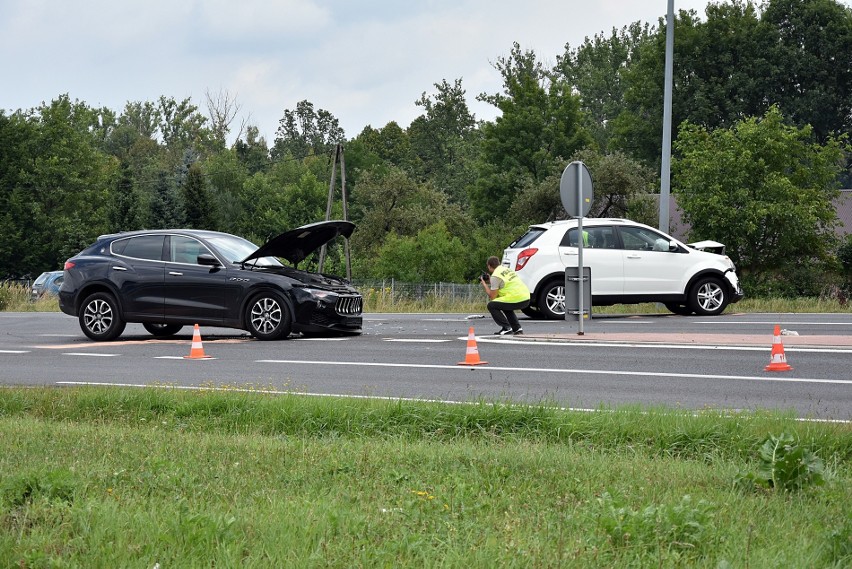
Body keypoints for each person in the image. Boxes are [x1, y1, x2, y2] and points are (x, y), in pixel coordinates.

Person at [480, 256, 530, 335]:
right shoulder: (506, 269)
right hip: (526, 297)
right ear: (498, 263)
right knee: (504, 305)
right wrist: (491, 281)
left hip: (516, 297)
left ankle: (506, 327)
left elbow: (492, 297)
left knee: (491, 305)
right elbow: (504, 283)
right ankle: (517, 329)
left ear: (489, 265)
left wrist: (484, 284)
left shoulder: (495, 276)